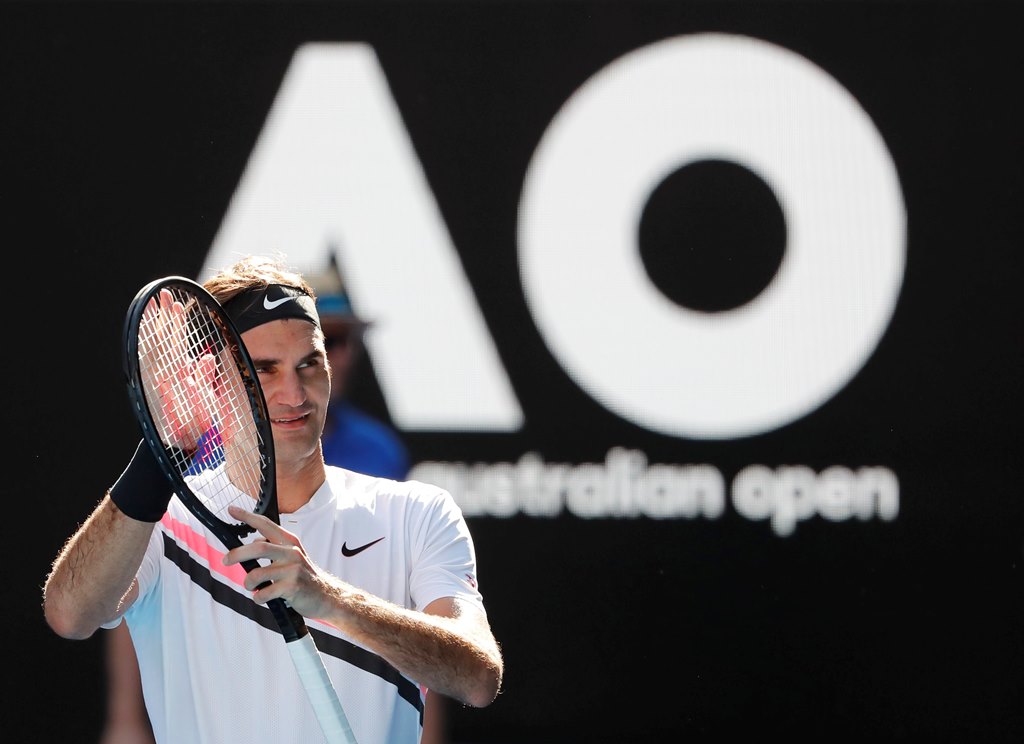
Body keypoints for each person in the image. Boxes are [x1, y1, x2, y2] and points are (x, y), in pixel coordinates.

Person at [44, 254, 503, 744]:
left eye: (309, 364)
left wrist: (329, 598)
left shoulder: (420, 514)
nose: (294, 393)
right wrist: (164, 451)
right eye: (264, 370)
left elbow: (477, 677)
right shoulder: (159, 524)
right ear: (214, 382)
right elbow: (70, 615)